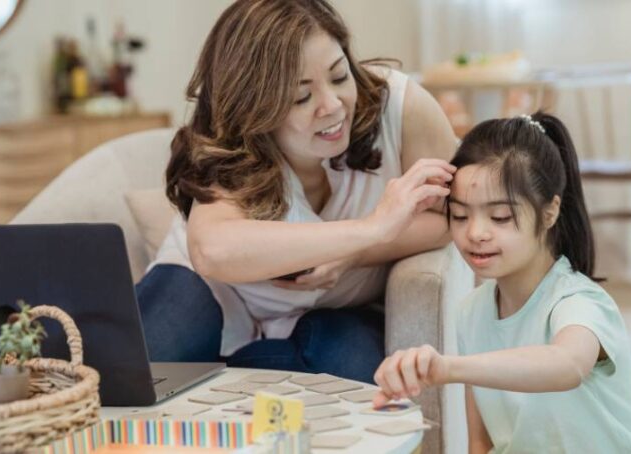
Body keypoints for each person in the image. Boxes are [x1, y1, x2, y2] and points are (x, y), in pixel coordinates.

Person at [134, 0, 458, 384]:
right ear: (254, 109)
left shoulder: (401, 111)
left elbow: (460, 215)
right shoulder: (232, 146)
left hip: (335, 312)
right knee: (134, 371)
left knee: (353, 377)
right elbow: (212, 251)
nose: (333, 106)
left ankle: (231, 375)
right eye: (300, 97)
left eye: (339, 77)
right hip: (216, 292)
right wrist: (365, 231)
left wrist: (355, 256)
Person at [372, 112, 631, 452]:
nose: (475, 233)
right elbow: (481, 443)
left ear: (549, 212)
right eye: (459, 215)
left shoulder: (581, 302)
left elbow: (568, 364)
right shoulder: (472, 312)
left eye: (500, 217)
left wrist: (447, 368)